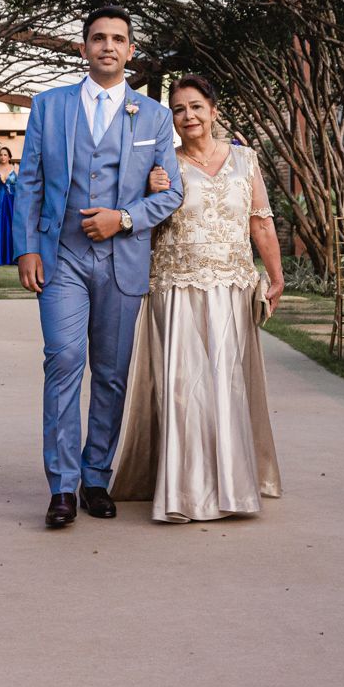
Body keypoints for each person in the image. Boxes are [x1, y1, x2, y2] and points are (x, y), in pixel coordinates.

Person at [14, 5, 184, 528]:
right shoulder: (49, 106)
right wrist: (27, 248)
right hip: (61, 256)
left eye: (118, 39)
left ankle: (95, 478)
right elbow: (31, 181)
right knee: (63, 360)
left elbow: (172, 192)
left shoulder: (153, 116)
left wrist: (125, 217)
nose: (108, 46)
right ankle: (61, 487)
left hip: (122, 261)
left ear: (130, 51)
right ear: (83, 48)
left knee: (110, 375)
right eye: (98, 38)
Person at [111, 74, 282, 521]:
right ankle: (185, 491)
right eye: (179, 109)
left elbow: (260, 222)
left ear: (213, 110)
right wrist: (151, 190)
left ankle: (233, 485)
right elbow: (143, 223)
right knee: (184, 388)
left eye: (196, 106)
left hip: (231, 286)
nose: (188, 116)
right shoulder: (162, 166)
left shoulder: (246, 160)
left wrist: (276, 276)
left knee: (226, 384)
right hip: (176, 286)